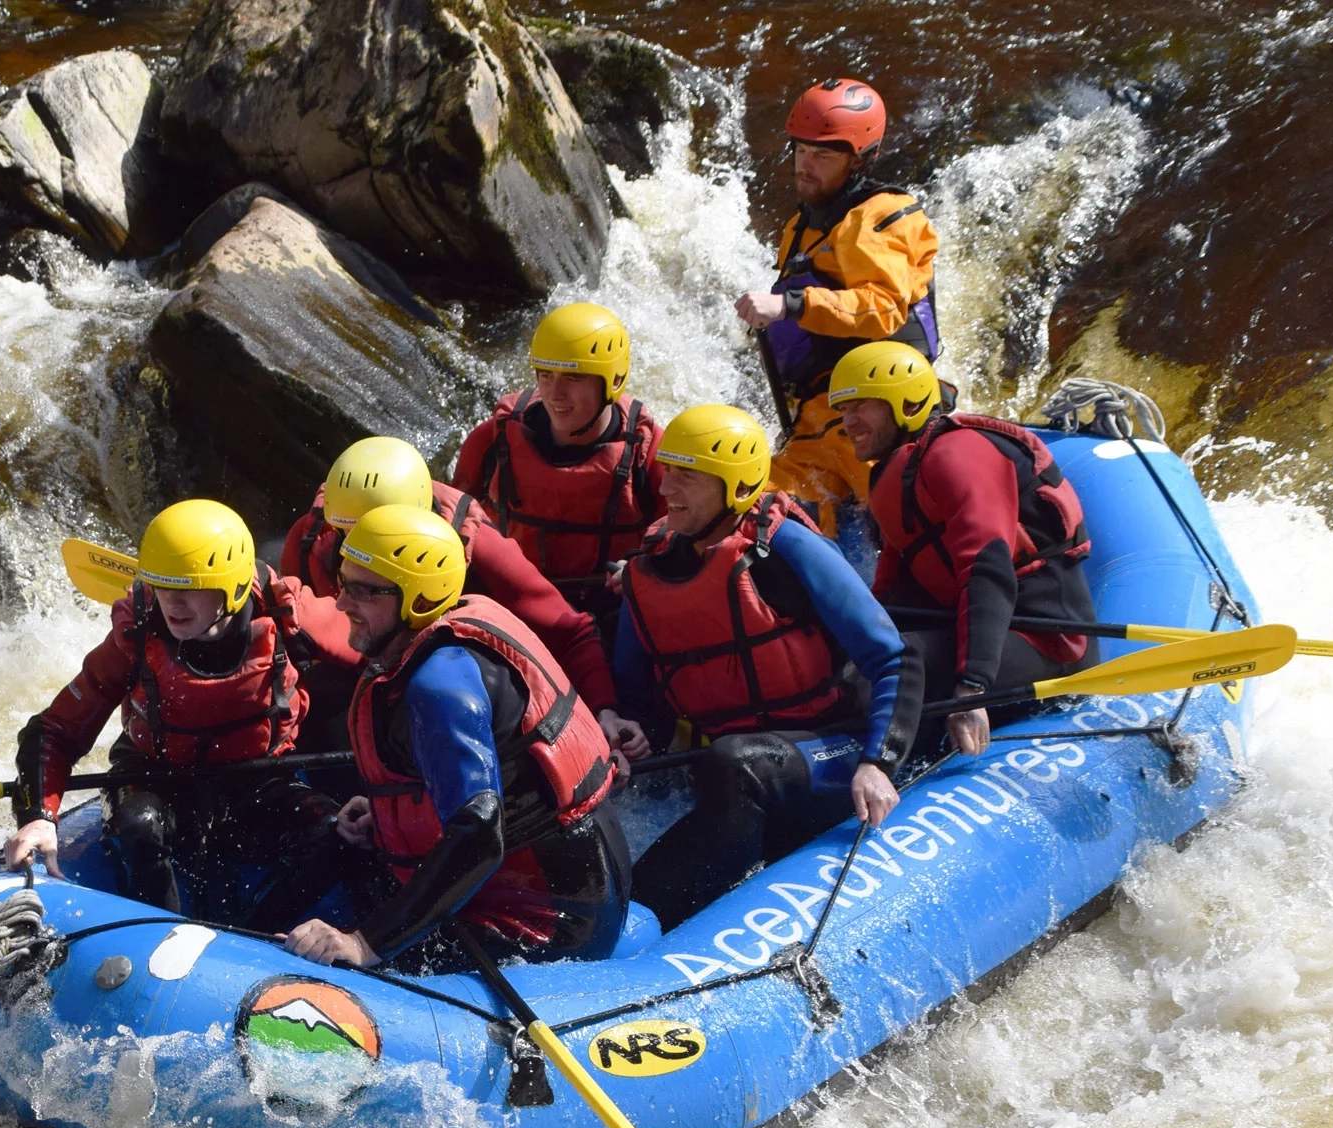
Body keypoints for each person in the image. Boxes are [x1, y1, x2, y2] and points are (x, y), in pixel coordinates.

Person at [278, 504, 631, 971]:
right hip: (564, 882)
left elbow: (480, 833)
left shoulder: (440, 685)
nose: (342, 604)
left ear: (418, 600)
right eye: (344, 583)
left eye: (363, 591)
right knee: (341, 841)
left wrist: (365, 944)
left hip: (546, 925)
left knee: (356, 960)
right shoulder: (439, 639)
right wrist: (388, 810)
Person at [614, 405, 910, 928]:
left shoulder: (788, 548)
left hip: (830, 750)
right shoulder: (650, 567)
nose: (666, 488)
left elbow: (891, 658)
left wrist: (879, 761)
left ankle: (666, 920)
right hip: (733, 767)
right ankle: (626, 920)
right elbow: (636, 698)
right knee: (724, 766)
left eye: (687, 474)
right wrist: (623, 727)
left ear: (734, 485)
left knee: (735, 763)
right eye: (667, 469)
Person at [3, 500, 359, 926]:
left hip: (258, 779)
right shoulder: (135, 633)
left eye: (188, 587)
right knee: (139, 824)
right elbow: (54, 730)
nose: (171, 602)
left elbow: (384, 655)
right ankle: (161, 932)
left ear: (233, 586)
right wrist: (39, 818)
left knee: (339, 832)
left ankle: (258, 936)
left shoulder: (288, 615)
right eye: (160, 584)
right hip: (155, 777)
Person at [280, 436, 647, 759]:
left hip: (457, 690)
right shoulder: (314, 540)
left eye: (376, 534)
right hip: (371, 692)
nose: (356, 548)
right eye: (348, 533)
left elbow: (569, 632)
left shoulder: (477, 547)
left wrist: (605, 710)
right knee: (320, 690)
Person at [829, 341, 1096, 759]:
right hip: (976, 635)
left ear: (910, 402)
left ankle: (892, 772)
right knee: (855, 655)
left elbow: (987, 568)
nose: (849, 422)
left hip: (1048, 640)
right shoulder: (895, 477)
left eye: (861, 405)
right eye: (843, 411)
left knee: (901, 662)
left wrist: (972, 688)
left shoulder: (958, 452)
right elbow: (894, 590)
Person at [734, 77, 940, 539]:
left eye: (823, 155)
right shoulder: (801, 227)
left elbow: (883, 308)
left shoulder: (881, 216)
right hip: (819, 422)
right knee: (751, 510)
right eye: (801, 151)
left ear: (861, 159)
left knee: (906, 529)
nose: (805, 166)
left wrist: (790, 303)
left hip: (883, 420)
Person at [452, 302, 664, 626]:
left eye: (573, 378)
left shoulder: (647, 453)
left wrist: (648, 569)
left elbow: (688, 538)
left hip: (606, 610)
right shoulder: (492, 440)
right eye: (545, 375)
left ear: (614, 380)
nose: (555, 394)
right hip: (511, 603)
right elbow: (452, 519)